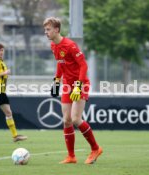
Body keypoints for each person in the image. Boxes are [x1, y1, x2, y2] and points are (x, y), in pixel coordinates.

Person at [43, 17, 103, 164]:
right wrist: (57, 80)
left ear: (57, 30)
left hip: (80, 84)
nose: (46, 32)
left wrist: (78, 85)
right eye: (45, 30)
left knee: (76, 118)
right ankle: (71, 156)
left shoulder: (70, 45)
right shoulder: (53, 46)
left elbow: (84, 66)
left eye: (48, 29)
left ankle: (95, 149)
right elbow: (60, 63)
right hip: (67, 85)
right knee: (67, 120)